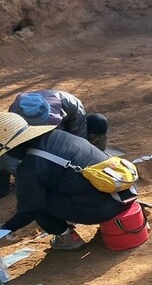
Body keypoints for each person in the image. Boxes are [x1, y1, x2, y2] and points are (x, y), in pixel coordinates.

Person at [0, 112, 136, 251]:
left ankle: (68, 238)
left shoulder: (31, 166)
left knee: (37, 203)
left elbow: (30, 209)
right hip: (123, 193)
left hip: (106, 208)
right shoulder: (58, 135)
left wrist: (6, 229)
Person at [2, 90, 109, 197]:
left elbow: (80, 137)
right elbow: (7, 150)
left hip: (66, 135)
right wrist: (26, 173)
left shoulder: (71, 103)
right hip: (32, 145)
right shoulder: (14, 116)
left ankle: (96, 165)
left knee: (97, 121)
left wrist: (79, 162)